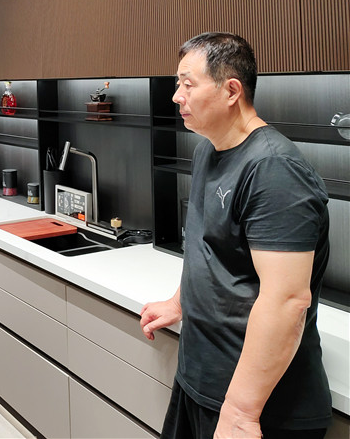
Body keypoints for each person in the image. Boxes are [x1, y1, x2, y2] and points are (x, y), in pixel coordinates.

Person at [139, 32, 332, 439]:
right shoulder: (208, 149)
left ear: (231, 91)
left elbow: (288, 300)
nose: (176, 96)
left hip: (257, 407)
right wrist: (179, 301)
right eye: (177, 84)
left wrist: (242, 411)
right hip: (201, 379)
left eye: (187, 84)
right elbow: (211, 247)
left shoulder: (274, 170)